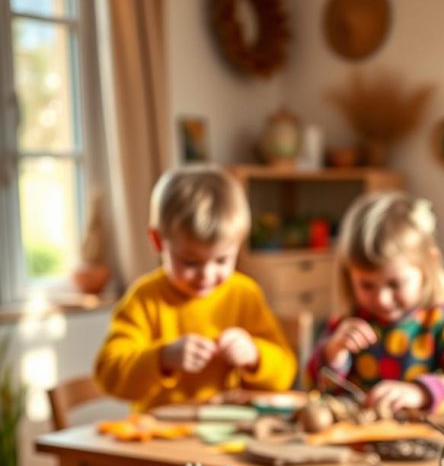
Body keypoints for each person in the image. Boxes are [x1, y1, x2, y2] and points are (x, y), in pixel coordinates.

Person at [95, 165, 296, 410]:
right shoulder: (144, 299)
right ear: (158, 241)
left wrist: (254, 356)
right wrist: (163, 358)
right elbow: (108, 376)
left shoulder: (245, 294)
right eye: (191, 262)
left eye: (222, 260)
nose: (207, 275)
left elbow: (285, 373)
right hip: (159, 439)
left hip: (229, 434)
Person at [307, 191, 444, 416]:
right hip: (359, 445)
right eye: (367, 285)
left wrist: (421, 393)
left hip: (431, 445)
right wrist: (333, 354)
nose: (382, 299)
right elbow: (312, 390)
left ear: (429, 265)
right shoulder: (350, 321)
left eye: (395, 284)